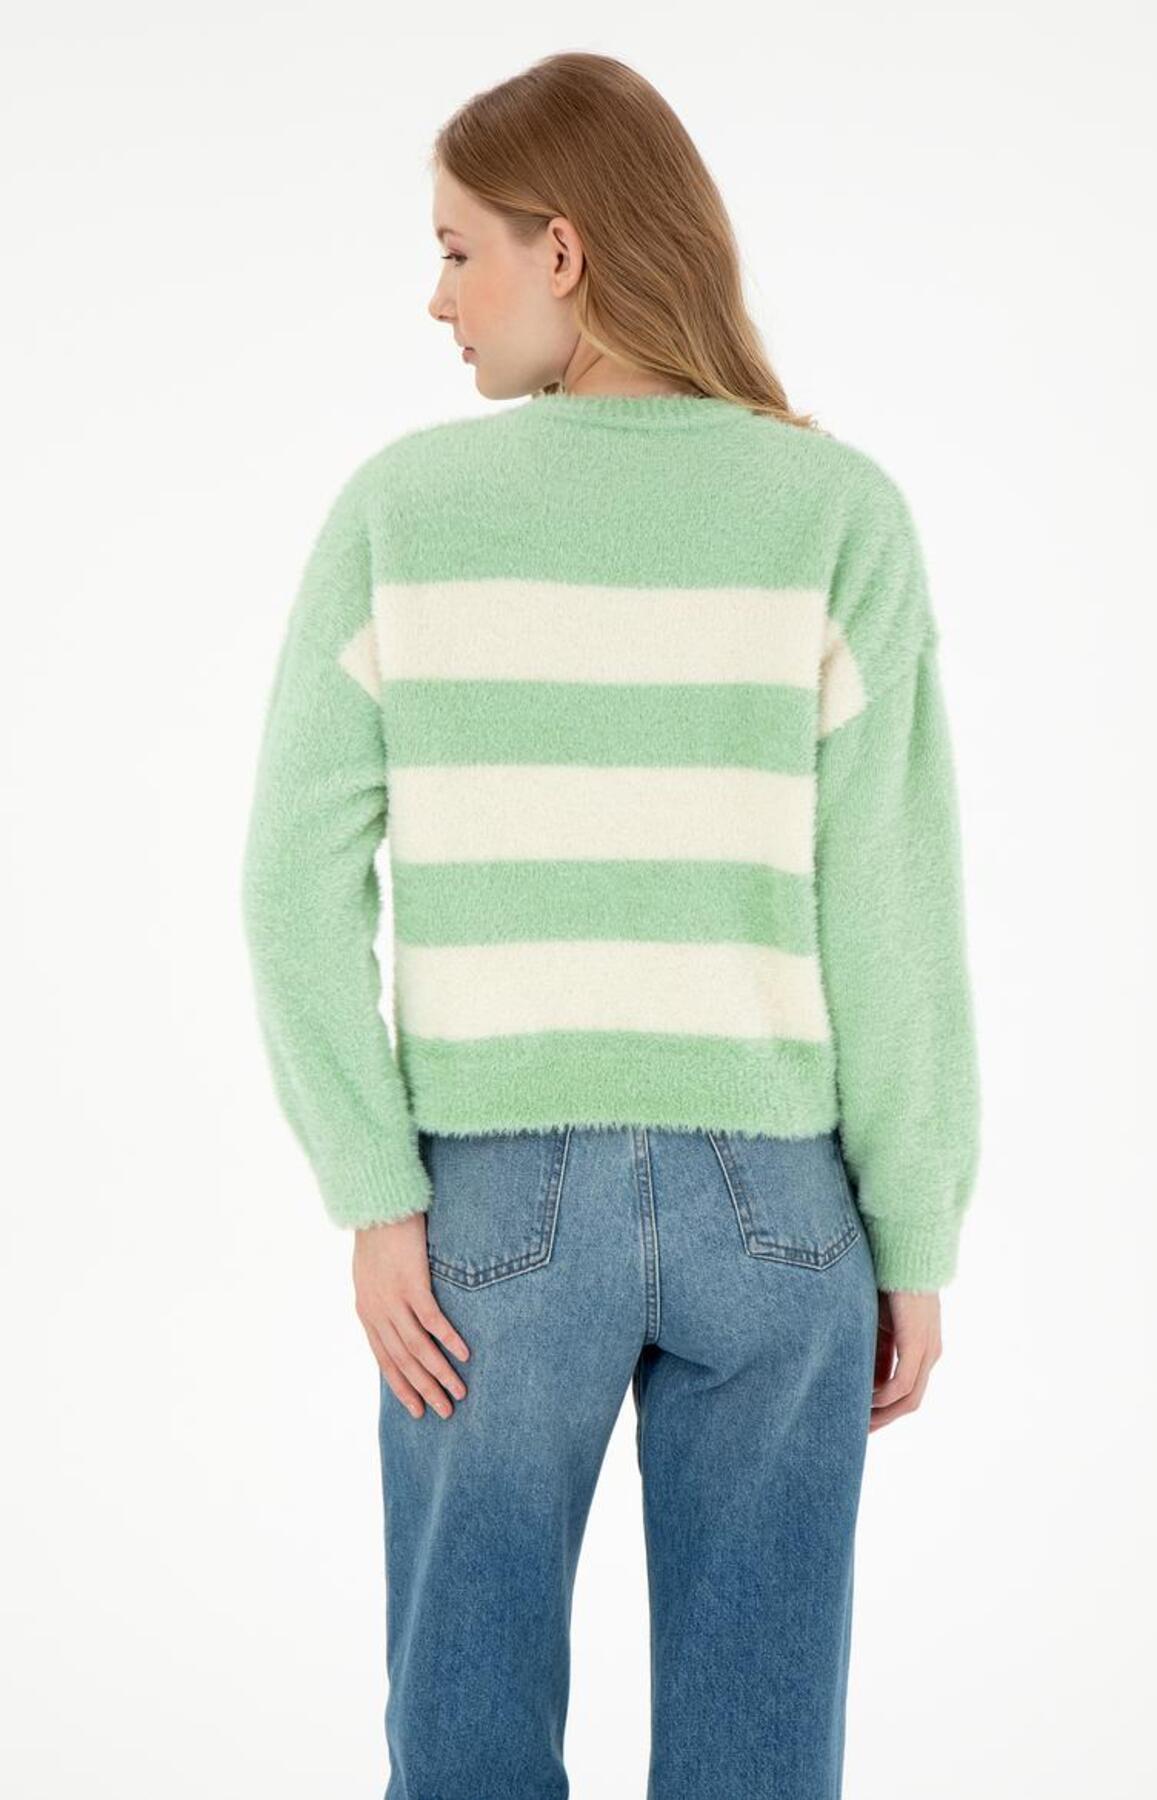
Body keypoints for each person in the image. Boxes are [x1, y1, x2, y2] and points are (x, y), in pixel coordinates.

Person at [240, 49, 982, 1800]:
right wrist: (917, 1230)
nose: (436, 299)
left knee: (466, 1735)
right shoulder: (837, 514)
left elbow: (288, 881)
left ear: (561, 250)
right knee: (760, 1753)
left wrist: (376, 1193)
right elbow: (892, 907)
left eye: (456, 251)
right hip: (779, 1208)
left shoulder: (404, 514)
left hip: (494, 1214)